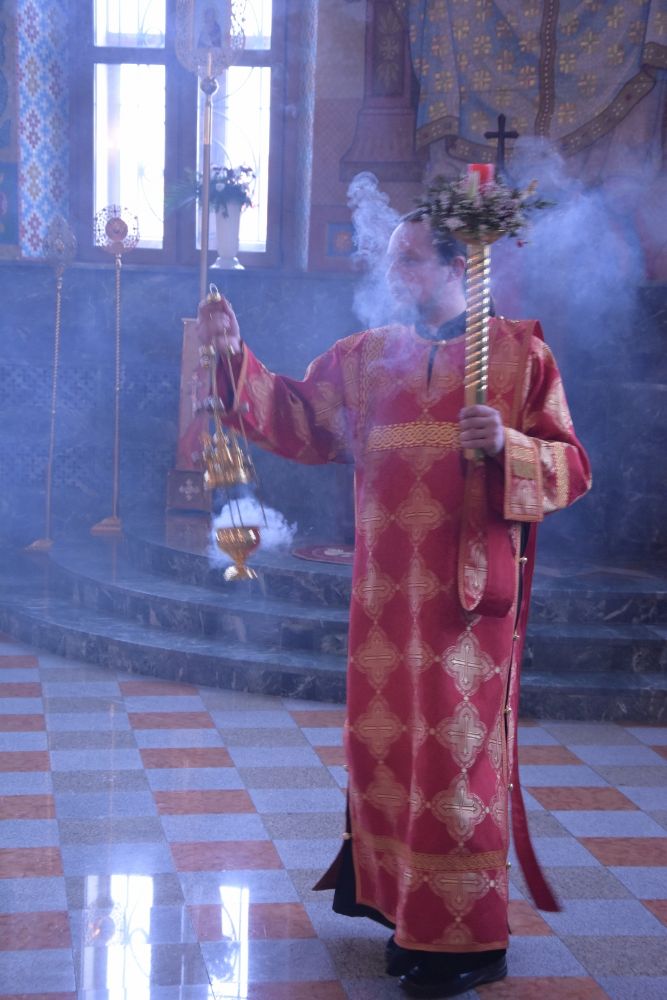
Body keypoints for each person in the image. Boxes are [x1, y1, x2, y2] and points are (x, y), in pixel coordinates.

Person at [196, 212, 591, 998]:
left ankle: (466, 940)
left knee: (453, 761)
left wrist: (508, 446)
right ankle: (407, 914)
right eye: (389, 257)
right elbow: (297, 421)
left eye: (408, 259)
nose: (392, 272)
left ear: (457, 265)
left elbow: (571, 468)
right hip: (382, 601)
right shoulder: (365, 356)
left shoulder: (518, 357)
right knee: (388, 752)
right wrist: (235, 355)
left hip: (464, 604)